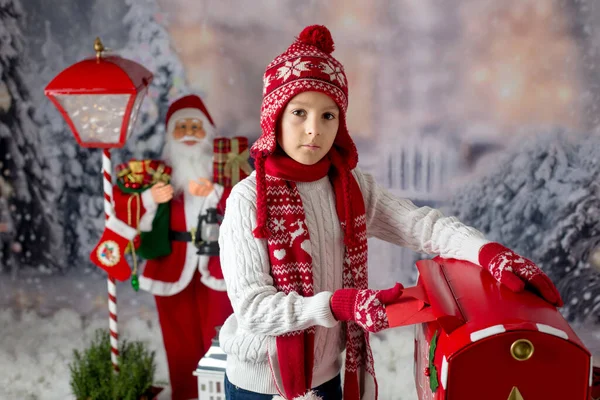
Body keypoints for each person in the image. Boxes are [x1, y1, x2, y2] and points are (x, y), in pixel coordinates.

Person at [218, 25, 562, 400]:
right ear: (274, 117)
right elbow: (253, 308)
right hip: (262, 386)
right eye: (299, 113)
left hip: (329, 376)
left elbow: (420, 226)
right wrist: (339, 304)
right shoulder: (248, 200)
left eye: (328, 116)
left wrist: (488, 252)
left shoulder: (350, 187)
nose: (313, 131)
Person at [116, 95, 233, 400]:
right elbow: (124, 205)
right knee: (178, 336)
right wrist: (150, 199)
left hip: (219, 264)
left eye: (196, 126)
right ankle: (185, 392)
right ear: (170, 134)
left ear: (208, 131)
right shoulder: (158, 175)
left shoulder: (226, 172)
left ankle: (224, 392)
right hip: (171, 264)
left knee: (223, 333)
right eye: (181, 127)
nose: (190, 133)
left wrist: (216, 192)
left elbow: (251, 206)